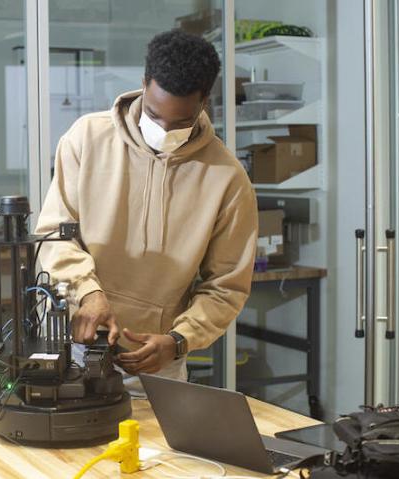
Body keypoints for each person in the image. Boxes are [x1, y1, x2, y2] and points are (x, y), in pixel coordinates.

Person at [35, 30, 258, 389]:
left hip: (154, 361)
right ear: (143, 84)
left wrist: (179, 341)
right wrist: (87, 292)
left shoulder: (227, 178)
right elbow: (53, 234)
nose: (164, 129)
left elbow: (226, 287)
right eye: (154, 115)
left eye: (180, 122)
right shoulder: (86, 139)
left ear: (204, 103)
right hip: (72, 344)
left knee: (157, 447)